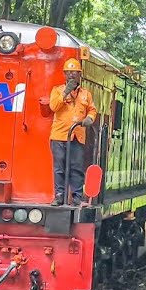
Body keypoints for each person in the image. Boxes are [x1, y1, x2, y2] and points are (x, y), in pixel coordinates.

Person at [47, 58, 97, 205]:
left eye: (74, 73)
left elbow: (92, 109)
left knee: (76, 167)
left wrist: (89, 118)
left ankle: (76, 197)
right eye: (68, 73)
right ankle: (59, 196)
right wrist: (65, 94)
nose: (71, 76)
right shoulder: (57, 91)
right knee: (59, 168)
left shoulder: (86, 94)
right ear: (64, 74)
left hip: (77, 136)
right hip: (59, 136)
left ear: (79, 75)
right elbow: (53, 107)